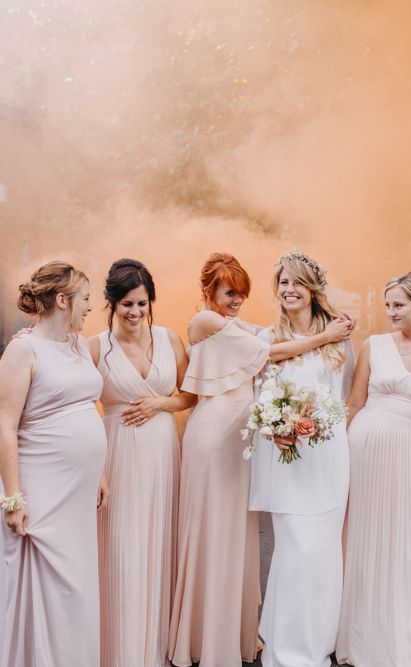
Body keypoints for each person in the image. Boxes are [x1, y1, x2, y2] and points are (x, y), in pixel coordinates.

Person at [168, 252, 350, 666]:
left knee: (274, 544)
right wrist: (279, 426)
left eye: (242, 293)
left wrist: (334, 332)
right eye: (229, 292)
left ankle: (269, 637)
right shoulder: (214, 323)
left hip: (298, 449)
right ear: (209, 290)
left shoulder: (249, 328)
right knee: (260, 543)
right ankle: (223, 641)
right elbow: (268, 359)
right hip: (230, 437)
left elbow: (343, 397)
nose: (236, 300)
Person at [337, 272, 411, 667]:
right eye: (388, 304)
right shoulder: (373, 345)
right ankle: (359, 638)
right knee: (362, 535)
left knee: (408, 538)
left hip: (410, 450)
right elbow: (353, 404)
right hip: (364, 447)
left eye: (399, 305)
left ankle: (410, 639)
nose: (390, 312)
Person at [88, 259, 196, 667]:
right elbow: (80, 405)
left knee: (159, 540)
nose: (135, 313)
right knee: (122, 549)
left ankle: (153, 646)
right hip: (115, 450)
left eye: (142, 304)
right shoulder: (95, 347)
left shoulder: (169, 340)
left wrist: (159, 403)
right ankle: (119, 647)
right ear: (111, 304)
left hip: (163, 453)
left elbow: (191, 395)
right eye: (126, 305)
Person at [0, 261, 108, 667]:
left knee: (76, 586)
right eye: (84, 300)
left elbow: (85, 408)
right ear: (62, 300)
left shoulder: (77, 345)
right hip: (41, 490)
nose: (89, 308)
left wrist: (99, 471)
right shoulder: (22, 350)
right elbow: (5, 426)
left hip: (77, 495)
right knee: (50, 583)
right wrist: (13, 498)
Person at [250, 250, 355, 667]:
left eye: (296, 282)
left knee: (323, 550)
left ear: (313, 289)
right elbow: (260, 384)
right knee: (296, 548)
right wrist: (276, 427)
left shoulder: (341, 337)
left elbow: (347, 396)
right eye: (282, 282)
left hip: (328, 454)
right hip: (286, 456)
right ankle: (287, 649)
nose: (288, 290)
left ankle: (315, 642)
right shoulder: (265, 338)